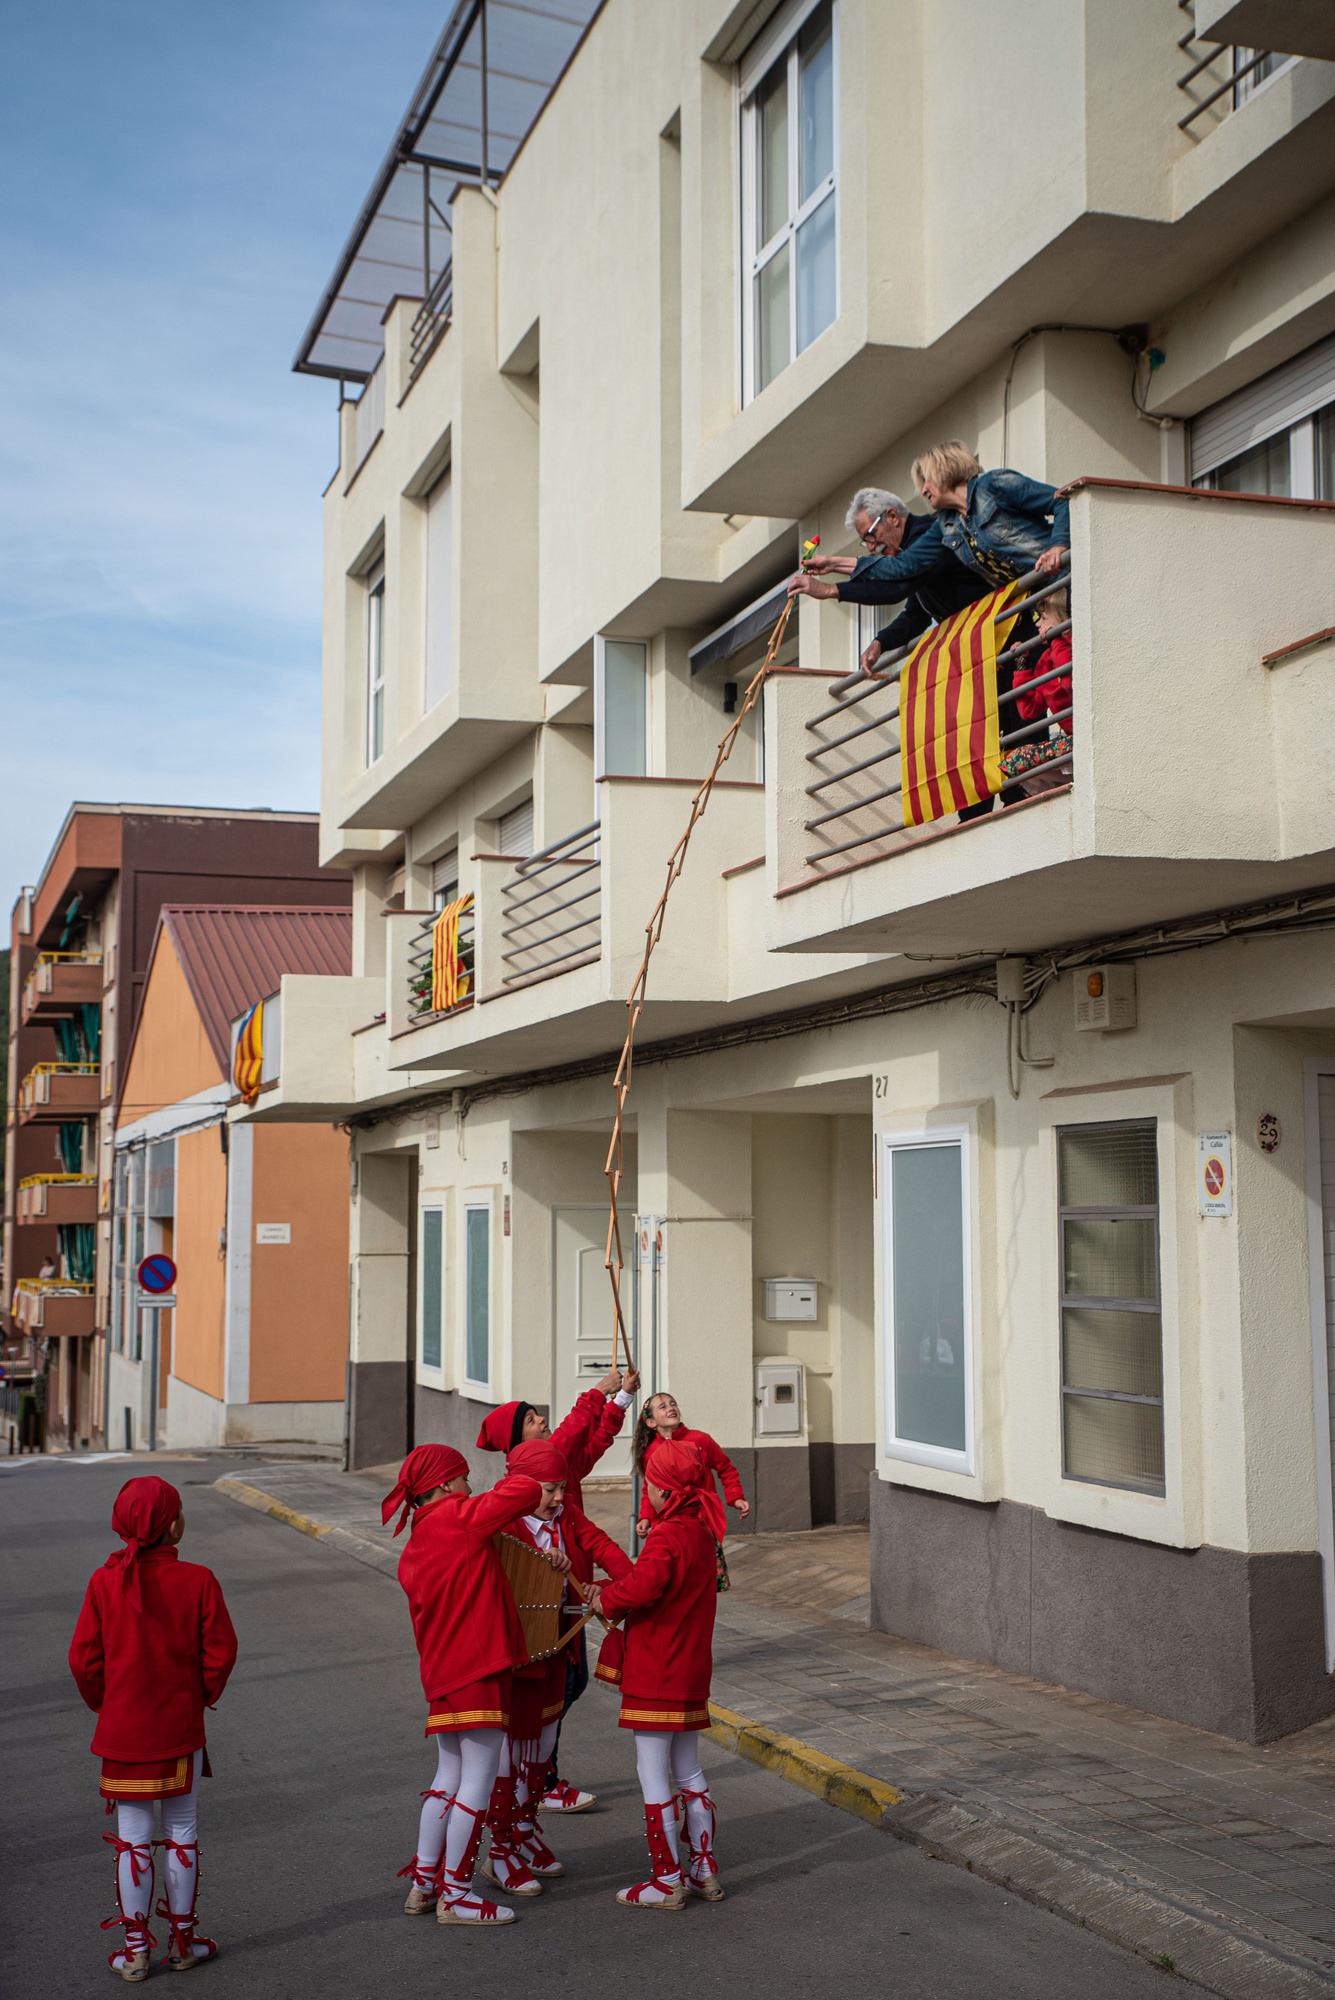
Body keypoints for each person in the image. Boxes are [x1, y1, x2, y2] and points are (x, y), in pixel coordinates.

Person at [68, 1475, 237, 1980]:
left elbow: (83, 1660)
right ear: (170, 1524)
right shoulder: (199, 1579)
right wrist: (200, 1696)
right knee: (182, 1830)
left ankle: (136, 1949)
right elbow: (221, 1653)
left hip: (123, 1730)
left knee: (132, 1837)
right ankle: (183, 1940)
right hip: (180, 1728)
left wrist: (108, 1702)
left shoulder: (104, 1580)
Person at [385, 1441, 543, 1929]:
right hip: (479, 1669)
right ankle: (456, 1893)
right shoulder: (458, 1516)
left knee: (446, 1779)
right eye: (464, 1477)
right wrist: (519, 1460)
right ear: (446, 1485)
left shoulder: (417, 1540)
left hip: (443, 1674)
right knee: (475, 1781)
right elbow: (528, 1489)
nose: (470, 1483)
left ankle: (425, 1881)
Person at [476, 1365, 640, 1814]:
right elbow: (571, 1437)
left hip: (571, 1600)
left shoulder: (561, 1499)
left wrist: (621, 1401)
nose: (542, 1422)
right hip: (531, 1620)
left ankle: (531, 1802)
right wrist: (599, 1391)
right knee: (540, 1707)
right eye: (531, 1420)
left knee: (569, 1685)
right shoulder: (506, 1507)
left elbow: (589, 1449)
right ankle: (525, 1800)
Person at [483, 1439, 631, 1898]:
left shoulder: (564, 1516)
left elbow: (599, 1543)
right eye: (549, 1489)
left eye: (561, 1488)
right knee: (510, 1755)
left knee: (541, 1750)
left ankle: (524, 1832)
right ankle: (499, 1850)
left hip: (555, 1652)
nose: (558, 1498)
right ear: (522, 1486)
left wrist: (628, 1582)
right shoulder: (500, 1522)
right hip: (515, 1660)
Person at [587, 1439, 724, 1908]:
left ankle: (666, 1879)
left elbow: (645, 1587)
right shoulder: (702, 1532)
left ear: (665, 1488)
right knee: (689, 1770)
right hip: (689, 1669)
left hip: (657, 1669)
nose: (647, 1490)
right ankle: (703, 1868)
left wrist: (604, 1598)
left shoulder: (667, 1535)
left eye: (651, 1483)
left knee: (652, 1774)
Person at [794, 486, 992, 676]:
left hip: (997, 626)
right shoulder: (906, 550)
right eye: (866, 541)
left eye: (871, 536)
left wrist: (831, 588)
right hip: (978, 639)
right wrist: (880, 643)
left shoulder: (929, 534)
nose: (871, 547)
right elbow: (916, 614)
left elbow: (896, 587)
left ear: (892, 517)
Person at [633, 1392, 749, 1539]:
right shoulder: (651, 1452)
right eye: (663, 1407)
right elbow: (649, 1488)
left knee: (704, 1559)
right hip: (668, 1520)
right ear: (651, 1422)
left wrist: (736, 1497)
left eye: (673, 1404)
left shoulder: (701, 1439)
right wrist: (646, 1517)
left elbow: (726, 1469)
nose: (670, 1408)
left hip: (701, 1517)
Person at [999, 585, 1073, 798]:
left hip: (1092, 735)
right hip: (1070, 742)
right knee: (1012, 763)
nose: (1037, 624)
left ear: (1059, 616)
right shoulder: (1046, 659)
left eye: (1042, 617)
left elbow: (1071, 684)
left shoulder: (1079, 643)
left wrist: (1057, 639)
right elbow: (1029, 711)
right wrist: (1021, 667)